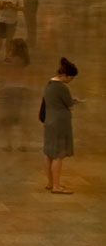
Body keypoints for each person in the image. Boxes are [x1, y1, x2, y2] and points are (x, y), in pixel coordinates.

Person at [42, 58, 81, 194]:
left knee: (49, 154)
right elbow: (69, 106)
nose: (70, 81)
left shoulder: (49, 84)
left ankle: (50, 183)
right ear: (66, 75)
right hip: (60, 123)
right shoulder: (62, 88)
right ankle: (57, 186)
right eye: (71, 78)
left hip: (49, 121)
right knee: (59, 154)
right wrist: (73, 103)